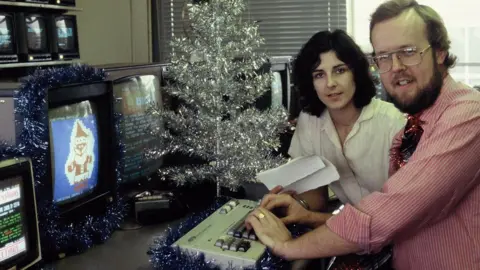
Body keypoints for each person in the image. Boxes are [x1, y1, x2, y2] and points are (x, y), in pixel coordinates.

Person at [245, 1, 480, 269]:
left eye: (408, 51)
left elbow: (386, 216)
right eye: (384, 57)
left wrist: (287, 247)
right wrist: (301, 208)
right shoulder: (420, 118)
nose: (396, 67)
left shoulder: (463, 115)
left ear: (440, 52)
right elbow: (339, 205)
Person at [266, 29, 405, 227]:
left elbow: (399, 216)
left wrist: (308, 217)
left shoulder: (393, 123)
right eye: (319, 74)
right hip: (354, 236)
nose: (330, 83)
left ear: (355, 73)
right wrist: (293, 204)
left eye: (340, 70)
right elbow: (317, 196)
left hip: (400, 237)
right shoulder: (309, 121)